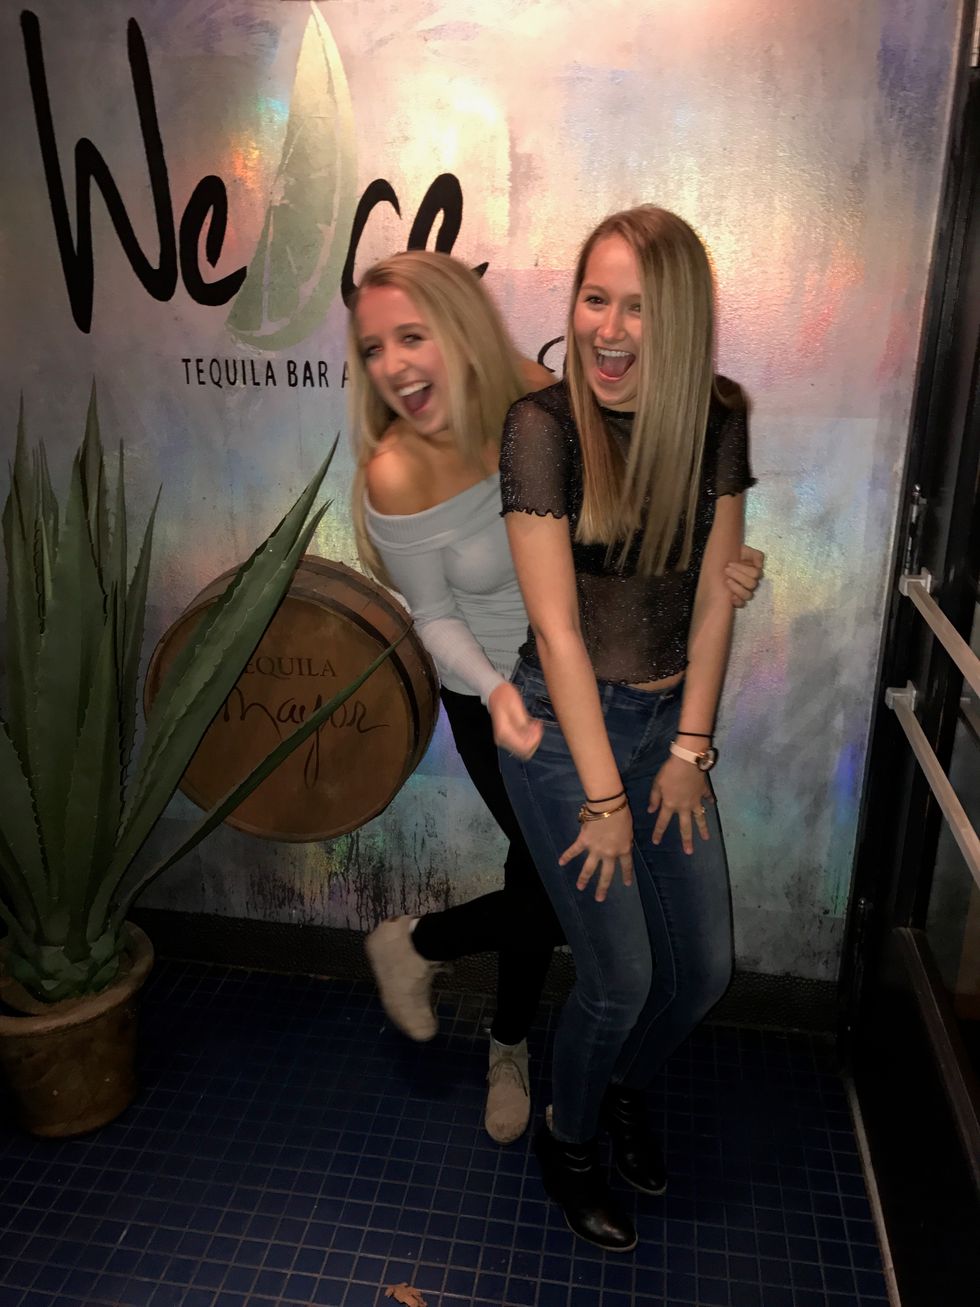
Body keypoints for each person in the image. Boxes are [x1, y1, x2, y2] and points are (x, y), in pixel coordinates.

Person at [347, 249, 763, 1149]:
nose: (394, 366)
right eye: (374, 348)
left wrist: (717, 563)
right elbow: (433, 615)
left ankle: (457, 984)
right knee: (552, 881)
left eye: (412, 337)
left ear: (462, 329)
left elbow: (637, 516)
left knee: (549, 880)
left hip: (593, 682)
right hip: (494, 692)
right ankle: (482, 1017)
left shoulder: (539, 402)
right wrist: (497, 688)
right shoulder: (395, 470)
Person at [497, 207, 753, 1251]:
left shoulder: (718, 416)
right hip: (568, 738)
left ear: (678, 319)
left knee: (703, 971)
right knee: (620, 978)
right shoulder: (541, 426)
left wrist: (689, 748)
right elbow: (558, 630)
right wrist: (605, 797)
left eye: (636, 307)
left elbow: (715, 595)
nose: (606, 329)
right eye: (593, 299)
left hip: (665, 724)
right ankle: (567, 1137)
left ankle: (624, 1087)